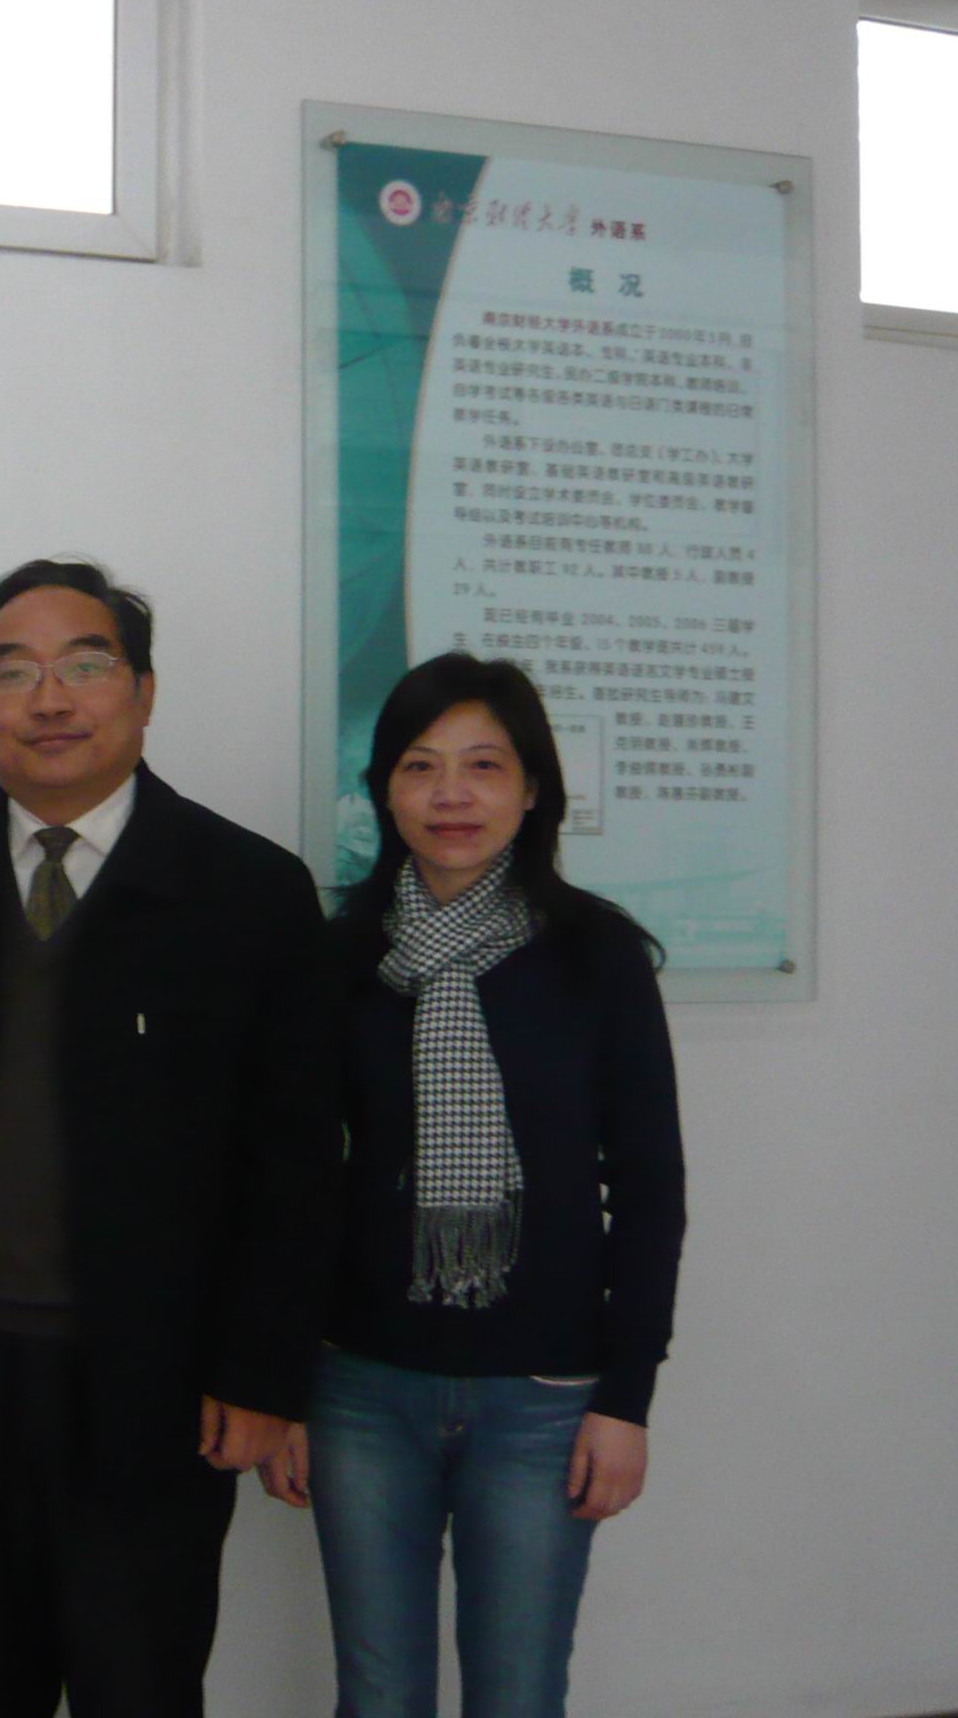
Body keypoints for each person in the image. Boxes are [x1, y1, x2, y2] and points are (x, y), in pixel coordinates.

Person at [0, 558, 330, 1718]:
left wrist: (262, 1372)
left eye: (85, 666)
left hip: (154, 1385)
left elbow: (294, 1163)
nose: (48, 700)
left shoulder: (248, 891)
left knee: (137, 1687)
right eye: (11, 672)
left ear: (143, 692)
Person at [258, 651, 686, 1718]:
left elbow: (648, 1189)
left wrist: (625, 1400)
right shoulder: (340, 960)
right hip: (361, 1389)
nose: (451, 794)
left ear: (532, 788)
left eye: (484, 765)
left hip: (542, 1398)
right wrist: (281, 1386)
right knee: (378, 1694)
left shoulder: (596, 957)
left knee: (518, 1694)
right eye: (420, 766)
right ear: (384, 791)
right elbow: (297, 1186)